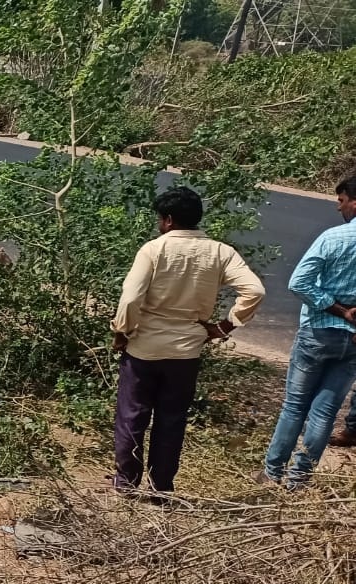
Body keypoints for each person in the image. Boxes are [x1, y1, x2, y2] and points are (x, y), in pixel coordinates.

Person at [109, 187, 264, 497]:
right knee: (171, 420)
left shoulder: (154, 250)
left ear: (167, 220)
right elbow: (255, 291)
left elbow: (130, 299)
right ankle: (160, 488)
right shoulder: (221, 252)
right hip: (186, 352)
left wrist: (121, 332)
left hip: (144, 348)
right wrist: (224, 326)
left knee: (132, 415)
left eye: (159, 219)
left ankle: (126, 483)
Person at [259, 176, 356, 490]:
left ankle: (273, 472)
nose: (339, 207)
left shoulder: (334, 238)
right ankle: (299, 479)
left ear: (354, 201)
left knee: (295, 405)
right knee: (325, 410)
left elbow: (299, 283)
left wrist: (339, 310)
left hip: (319, 332)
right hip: (352, 341)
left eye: (341, 201)